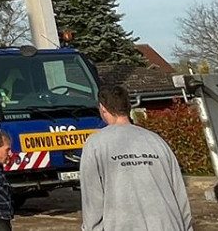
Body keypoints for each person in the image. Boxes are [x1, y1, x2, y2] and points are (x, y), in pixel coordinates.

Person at [80, 85, 193, 231]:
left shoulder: (95, 144)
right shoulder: (156, 141)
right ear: (129, 107)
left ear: (103, 108)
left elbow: (93, 202)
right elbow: (179, 194)